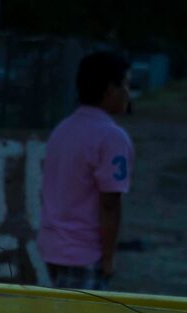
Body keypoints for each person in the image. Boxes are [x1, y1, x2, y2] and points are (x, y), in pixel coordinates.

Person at [38, 51, 134, 291]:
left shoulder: (63, 128)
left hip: (53, 247)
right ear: (110, 89)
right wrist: (109, 257)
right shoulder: (111, 137)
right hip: (84, 253)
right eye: (125, 84)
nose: (127, 92)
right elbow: (110, 203)